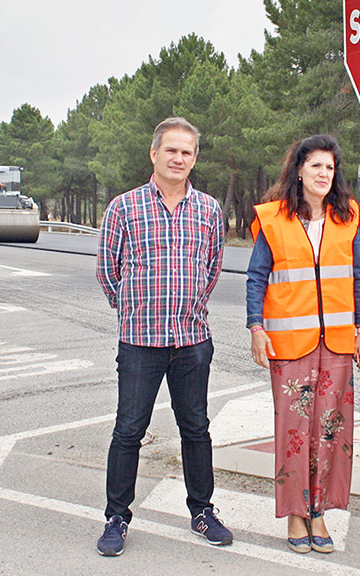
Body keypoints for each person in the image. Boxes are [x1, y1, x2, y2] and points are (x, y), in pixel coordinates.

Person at [95, 117, 231, 557]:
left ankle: (202, 510)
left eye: (186, 152)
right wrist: (135, 310)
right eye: (171, 150)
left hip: (191, 340)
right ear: (154, 154)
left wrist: (187, 306)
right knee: (129, 430)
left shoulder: (209, 210)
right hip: (140, 342)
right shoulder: (124, 207)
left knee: (196, 428)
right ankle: (117, 517)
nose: (178, 158)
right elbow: (107, 271)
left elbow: (211, 269)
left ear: (195, 159)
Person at [246, 134, 360, 555]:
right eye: (315, 165)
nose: (323, 173)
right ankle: (296, 515)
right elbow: (257, 277)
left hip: (336, 342)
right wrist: (255, 328)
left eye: (330, 167)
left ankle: (319, 511)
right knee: (295, 431)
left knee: (330, 431)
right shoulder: (273, 218)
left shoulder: (347, 215)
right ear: (299, 169)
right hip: (289, 343)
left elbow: (358, 278)